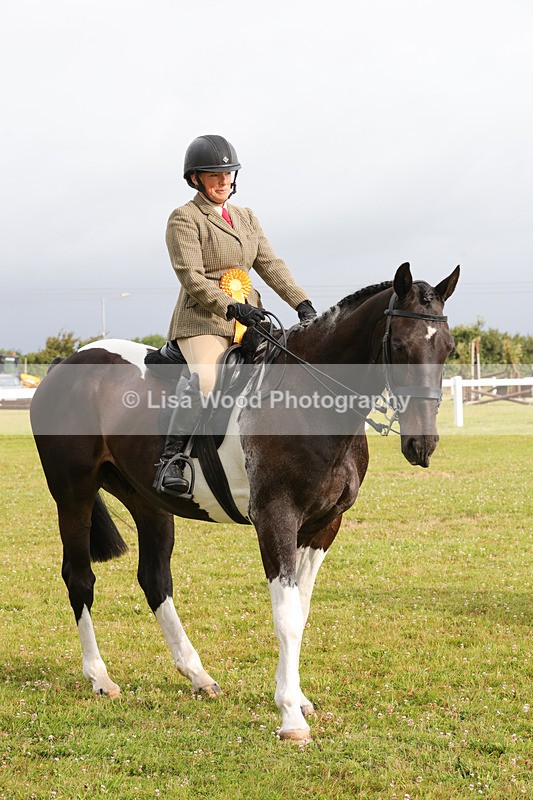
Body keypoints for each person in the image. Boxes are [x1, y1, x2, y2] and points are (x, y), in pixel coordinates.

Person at [154, 134, 317, 494]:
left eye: (227, 174)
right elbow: (190, 275)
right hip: (202, 320)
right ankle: (172, 459)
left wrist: (301, 304)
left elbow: (269, 263)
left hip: (250, 319)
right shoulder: (184, 218)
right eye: (213, 175)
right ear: (196, 178)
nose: (222, 181)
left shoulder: (246, 217)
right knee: (208, 381)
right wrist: (230, 306)